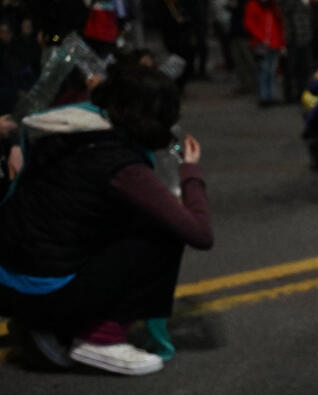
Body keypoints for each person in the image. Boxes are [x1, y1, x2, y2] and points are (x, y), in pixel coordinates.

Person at [0, 66, 213, 375]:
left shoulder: (67, 129)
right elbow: (200, 233)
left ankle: (43, 326)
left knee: (125, 219)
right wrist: (191, 172)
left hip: (13, 281)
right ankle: (100, 339)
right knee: (162, 234)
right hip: (44, 290)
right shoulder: (120, 163)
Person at [245, 0, 286, 105]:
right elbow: (249, 23)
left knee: (270, 72)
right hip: (264, 44)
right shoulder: (255, 5)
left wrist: (281, 43)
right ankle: (265, 96)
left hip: (273, 43)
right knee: (265, 71)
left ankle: (269, 96)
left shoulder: (272, 6)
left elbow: (279, 24)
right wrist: (261, 37)